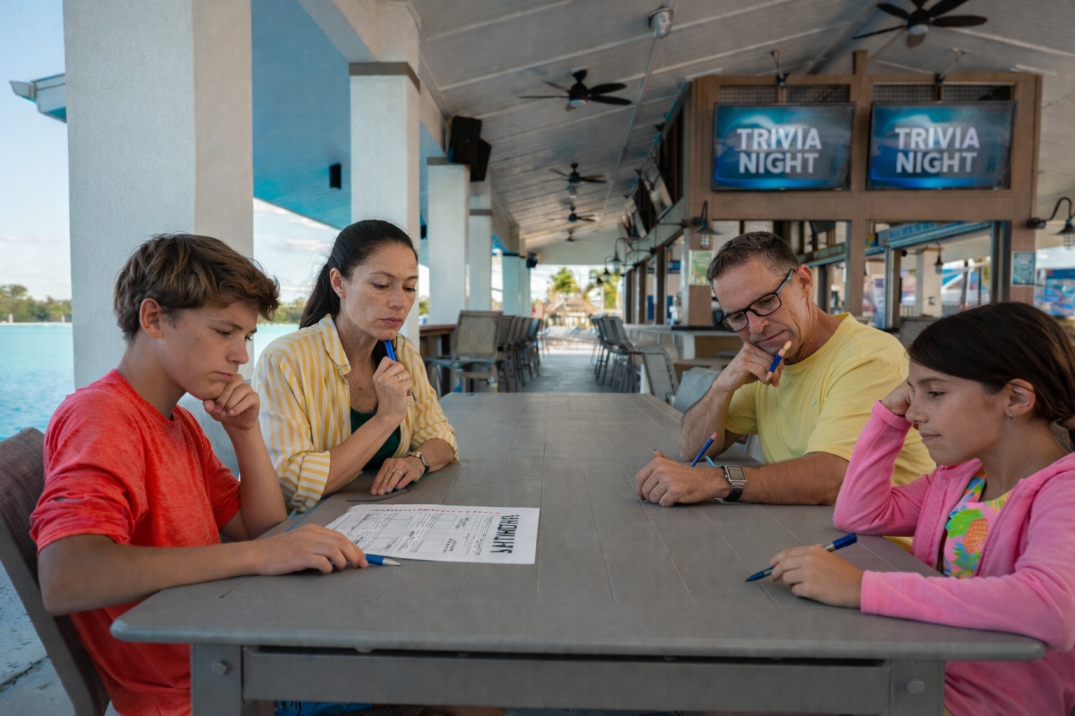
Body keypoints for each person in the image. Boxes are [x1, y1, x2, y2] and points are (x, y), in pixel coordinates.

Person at [30, 234, 369, 716]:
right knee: (450, 680)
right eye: (223, 332)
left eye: (246, 337)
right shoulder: (101, 417)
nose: (241, 356)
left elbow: (261, 528)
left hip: (230, 652)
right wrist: (256, 557)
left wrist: (246, 433)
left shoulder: (181, 421)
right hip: (204, 692)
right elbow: (67, 576)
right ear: (153, 319)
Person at [767, 302, 1075, 716]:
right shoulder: (962, 480)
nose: (913, 413)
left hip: (984, 704)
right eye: (911, 394)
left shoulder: (1064, 491)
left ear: (1016, 398)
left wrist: (863, 588)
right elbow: (861, 515)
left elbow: (1050, 608)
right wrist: (885, 419)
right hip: (919, 671)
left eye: (934, 392)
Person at [636, 231, 933, 506]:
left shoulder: (866, 358)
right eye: (737, 317)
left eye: (766, 302)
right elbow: (691, 448)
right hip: (804, 529)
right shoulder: (769, 359)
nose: (756, 327)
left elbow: (830, 479)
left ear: (803, 282)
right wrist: (722, 385)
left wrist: (716, 480)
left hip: (884, 549)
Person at [255, 220, 457, 512]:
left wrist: (417, 461)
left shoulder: (403, 352)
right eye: (381, 285)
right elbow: (292, 484)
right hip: (308, 531)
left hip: (386, 515)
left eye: (410, 287)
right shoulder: (285, 360)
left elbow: (442, 438)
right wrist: (385, 418)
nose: (399, 302)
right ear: (338, 283)